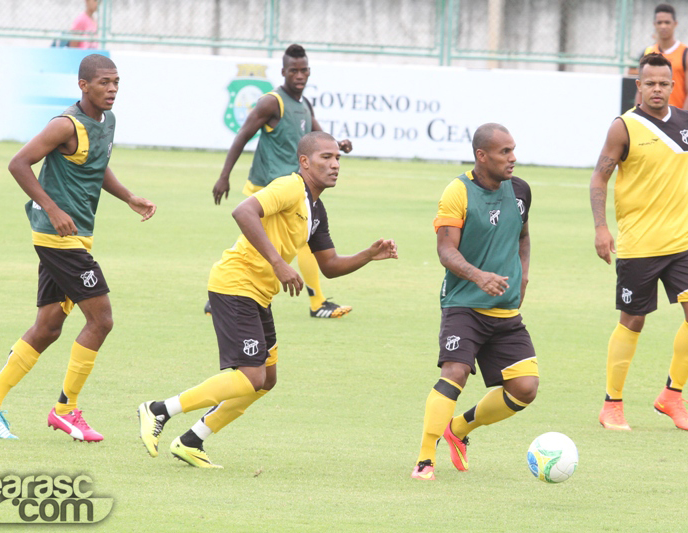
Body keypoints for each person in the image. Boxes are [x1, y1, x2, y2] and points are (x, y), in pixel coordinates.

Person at [139, 131, 397, 468]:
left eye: (338, 158)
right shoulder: (290, 187)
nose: (335, 164)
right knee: (251, 376)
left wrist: (367, 255)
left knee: (266, 380)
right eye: (326, 158)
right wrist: (279, 264)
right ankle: (159, 409)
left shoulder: (316, 210)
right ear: (304, 162)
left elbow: (330, 266)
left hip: (258, 293)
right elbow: (243, 211)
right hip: (235, 283)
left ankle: (192, 441)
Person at [0, 54, 156, 441]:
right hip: (58, 239)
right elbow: (19, 163)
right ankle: (65, 410)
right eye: (104, 82)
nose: (112, 89)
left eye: (117, 82)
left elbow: (96, 165)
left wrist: (128, 197)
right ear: (83, 85)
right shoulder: (63, 125)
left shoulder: (107, 122)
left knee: (48, 327)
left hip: (77, 235)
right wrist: (52, 208)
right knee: (101, 320)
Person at [590, 52, 688, 433]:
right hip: (639, 246)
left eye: (663, 83)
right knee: (633, 320)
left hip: (682, 242)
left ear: (672, 86)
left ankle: (671, 397)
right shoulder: (623, 127)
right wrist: (601, 227)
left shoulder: (687, 122)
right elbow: (599, 178)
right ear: (638, 86)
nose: (657, 89)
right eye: (650, 83)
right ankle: (612, 404)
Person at [411, 123, 537, 481]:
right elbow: (445, 250)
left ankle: (459, 429)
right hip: (463, 303)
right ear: (482, 156)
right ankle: (424, 460)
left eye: (513, 150)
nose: (513, 158)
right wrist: (479, 275)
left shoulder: (521, 191)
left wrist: (524, 274)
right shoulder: (458, 192)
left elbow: (523, 236)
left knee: (525, 388)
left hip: (506, 310)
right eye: (504, 152)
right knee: (455, 372)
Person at [209, 44, 355, 319]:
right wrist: (224, 175)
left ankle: (219, 296)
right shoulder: (271, 102)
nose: (299, 75)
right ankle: (317, 303)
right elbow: (242, 135)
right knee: (303, 239)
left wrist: (338, 146)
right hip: (268, 185)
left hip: (293, 187)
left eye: (304, 70)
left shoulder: (303, 104)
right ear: (284, 72)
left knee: (260, 243)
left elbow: (318, 136)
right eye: (293, 70)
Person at [636, 4, 688, 112]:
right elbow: (640, 91)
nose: (663, 26)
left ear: (675, 24)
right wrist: (637, 114)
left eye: (667, 22)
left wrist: (681, 119)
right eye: (659, 23)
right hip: (652, 118)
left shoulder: (687, 54)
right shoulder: (648, 52)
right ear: (654, 24)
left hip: (677, 117)